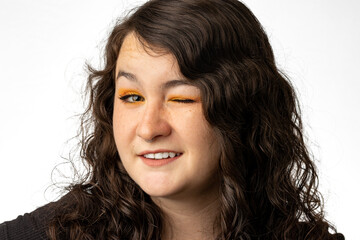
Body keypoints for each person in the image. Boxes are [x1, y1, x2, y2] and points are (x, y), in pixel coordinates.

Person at [0, 0, 345, 239]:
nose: (149, 128)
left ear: (243, 108)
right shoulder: (59, 230)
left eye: (181, 98)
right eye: (132, 97)